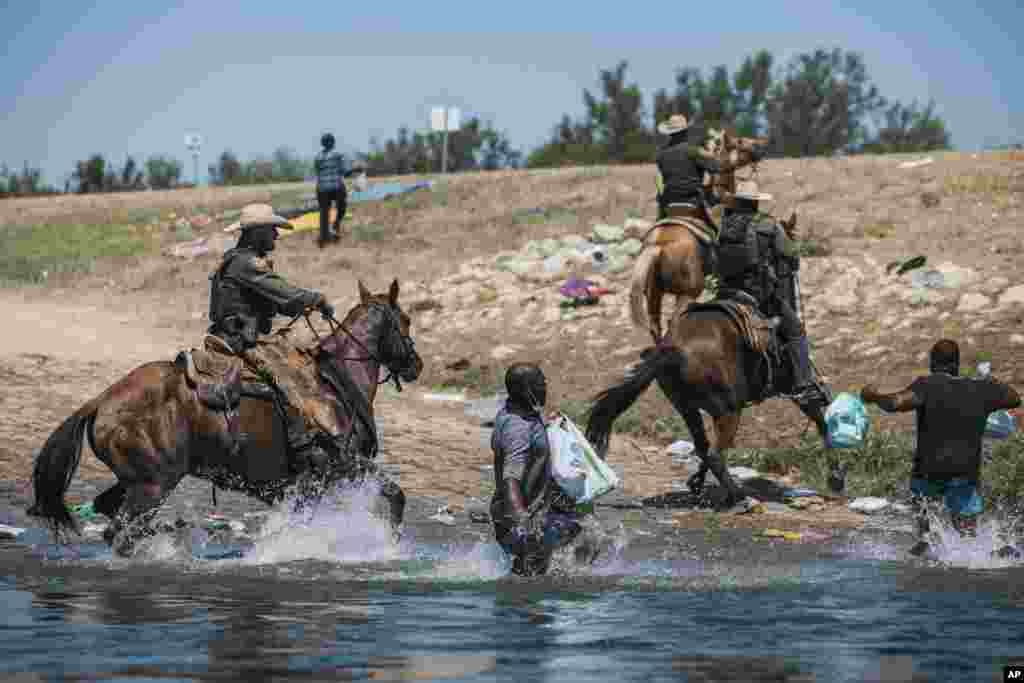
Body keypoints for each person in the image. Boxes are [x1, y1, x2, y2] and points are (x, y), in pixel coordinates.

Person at [861, 339, 1021, 557]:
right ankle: (986, 555)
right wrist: (989, 381)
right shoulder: (981, 388)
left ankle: (925, 542)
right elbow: (1014, 399)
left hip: (929, 471)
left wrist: (873, 396)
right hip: (964, 474)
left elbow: (896, 403)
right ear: (956, 363)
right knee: (968, 538)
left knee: (924, 518)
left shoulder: (927, 385)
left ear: (932, 363)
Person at [209, 203, 336, 467]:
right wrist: (317, 298)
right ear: (257, 234)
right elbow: (286, 294)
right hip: (240, 342)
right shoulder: (247, 263)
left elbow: (277, 300)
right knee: (288, 379)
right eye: (272, 230)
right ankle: (300, 445)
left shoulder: (236, 259)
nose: (276, 235)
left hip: (233, 335)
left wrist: (297, 303)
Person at [715, 180, 827, 406]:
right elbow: (791, 256)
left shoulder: (724, 226)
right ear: (757, 202)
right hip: (759, 297)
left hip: (726, 293)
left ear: (738, 202)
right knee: (796, 331)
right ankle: (805, 385)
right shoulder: (768, 225)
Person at [490, 363, 582, 577]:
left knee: (575, 539)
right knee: (584, 538)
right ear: (526, 389)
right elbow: (510, 478)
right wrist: (522, 521)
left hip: (532, 512)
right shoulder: (518, 428)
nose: (545, 388)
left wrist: (547, 426)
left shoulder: (519, 413)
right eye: (540, 384)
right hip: (522, 518)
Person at [654, 114, 765, 227]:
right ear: (685, 132)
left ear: (669, 133)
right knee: (719, 230)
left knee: (658, 223)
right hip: (692, 200)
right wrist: (736, 162)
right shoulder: (694, 151)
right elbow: (717, 168)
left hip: (668, 201)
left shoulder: (661, 154)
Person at [314, 133, 356, 248]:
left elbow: (317, 172)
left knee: (324, 212)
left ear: (322, 144)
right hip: (336, 187)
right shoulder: (338, 155)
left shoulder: (317, 157)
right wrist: (355, 169)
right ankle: (336, 224)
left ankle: (324, 237)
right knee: (341, 207)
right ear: (333, 142)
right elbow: (345, 172)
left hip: (322, 189)